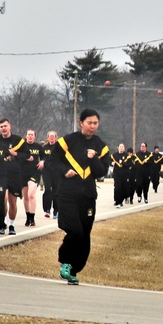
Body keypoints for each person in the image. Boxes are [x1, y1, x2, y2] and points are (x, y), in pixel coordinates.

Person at [49, 108, 111, 285]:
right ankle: (65, 263)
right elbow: (52, 161)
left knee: (84, 235)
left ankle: (74, 270)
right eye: (89, 122)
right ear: (81, 122)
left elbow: (101, 172)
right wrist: (64, 170)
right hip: (67, 193)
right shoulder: (67, 141)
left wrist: (93, 159)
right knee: (74, 230)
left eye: (95, 123)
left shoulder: (101, 146)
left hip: (88, 196)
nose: (92, 126)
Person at [0, 118, 25, 235]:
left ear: (10, 126)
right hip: (0, 174)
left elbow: (27, 155)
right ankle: (3, 223)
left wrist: (15, 154)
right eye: (1, 127)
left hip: (14, 174)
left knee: (12, 201)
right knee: (3, 199)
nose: (3, 128)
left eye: (5, 126)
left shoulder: (18, 140)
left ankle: (12, 224)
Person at [20, 129, 43, 226]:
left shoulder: (38, 146)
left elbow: (44, 157)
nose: (30, 136)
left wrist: (42, 161)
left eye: (32, 135)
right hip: (22, 173)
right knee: (26, 196)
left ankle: (33, 218)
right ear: (26, 136)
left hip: (34, 173)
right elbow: (16, 156)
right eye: (28, 134)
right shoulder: (21, 146)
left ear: (35, 136)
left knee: (31, 194)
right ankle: (28, 217)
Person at [39, 131, 61, 219]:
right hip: (46, 172)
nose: (51, 138)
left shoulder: (58, 147)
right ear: (47, 138)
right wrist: (42, 162)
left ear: (56, 137)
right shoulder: (44, 147)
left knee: (56, 191)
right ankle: (47, 210)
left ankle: (56, 211)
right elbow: (41, 157)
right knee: (48, 189)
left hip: (56, 172)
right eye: (50, 136)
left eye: (53, 136)